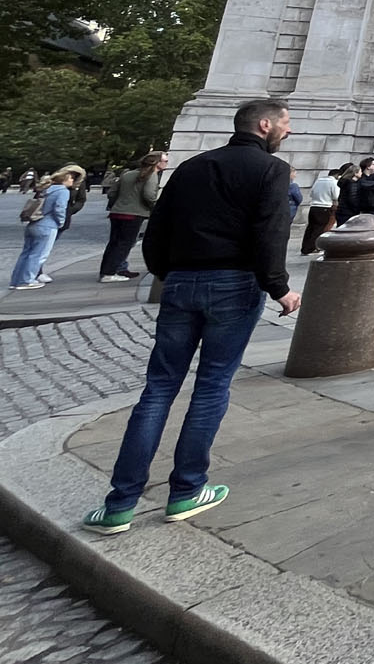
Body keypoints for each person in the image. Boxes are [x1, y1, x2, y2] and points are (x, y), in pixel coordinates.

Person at [82, 99, 302, 534]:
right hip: (234, 284)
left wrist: (169, 274)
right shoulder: (271, 170)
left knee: (157, 390)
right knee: (212, 386)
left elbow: (157, 230)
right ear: (264, 125)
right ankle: (186, 491)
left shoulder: (191, 166)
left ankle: (119, 504)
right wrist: (279, 287)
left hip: (181, 281)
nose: (289, 131)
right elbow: (270, 231)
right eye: (286, 124)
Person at [11, 166, 82, 289]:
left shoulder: (47, 188)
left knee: (26, 253)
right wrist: (61, 222)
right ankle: (27, 280)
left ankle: (16, 280)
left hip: (33, 223)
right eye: (72, 178)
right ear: (66, 178)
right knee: (38, 254)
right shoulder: (62, 191)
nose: (73, 181)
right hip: (47, 225)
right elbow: (59, 208)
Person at [102, 153, 166, 282]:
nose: (167, 163)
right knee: (124, 244)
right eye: (165, 161)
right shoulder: (151, 176)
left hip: (117, 212)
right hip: (134, 213)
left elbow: (112, 193)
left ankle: (108, 270)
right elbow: (149, 196)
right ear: (157, 163)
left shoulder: (127, 174)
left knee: (114, 243)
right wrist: (156, 208)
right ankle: (109, 273)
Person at [300, 164, 337, 257]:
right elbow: (336, 196)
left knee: (310, 228)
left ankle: (305, 248)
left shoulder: (319, 181)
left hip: (314, 206)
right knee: (318, 229)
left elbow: (312, 193)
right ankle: (312, 248)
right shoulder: (333, 182)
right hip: (325, 206)